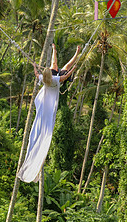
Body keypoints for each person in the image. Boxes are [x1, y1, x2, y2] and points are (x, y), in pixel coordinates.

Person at [17, 45, 80, 183]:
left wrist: (35, 66)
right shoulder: (56, 80)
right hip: (56, 87)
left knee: (55, 63)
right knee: (68, 65)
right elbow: (66, 76)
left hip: (50, 84)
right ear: (50, 75)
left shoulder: (44, 79)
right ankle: (76, 52)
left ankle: (55, 50)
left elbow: (36, 74)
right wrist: (73, 70)